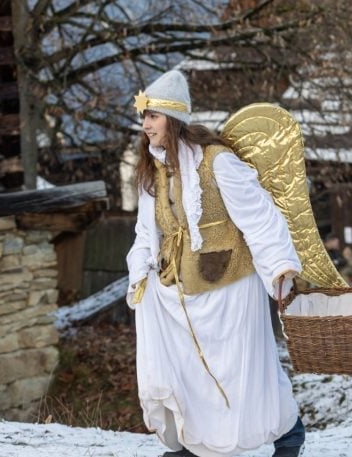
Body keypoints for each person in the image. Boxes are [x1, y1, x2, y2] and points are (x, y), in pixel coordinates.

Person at [125, 70, 305, 457]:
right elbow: (146, 231)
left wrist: (279, 269)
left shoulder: (217, 162)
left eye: (151, 117)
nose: (145, 126)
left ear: (171, 119)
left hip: (230, 287)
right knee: (188, 371)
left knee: (244, 371)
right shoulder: (154, 171)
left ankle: (289, 435)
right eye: (144, 117)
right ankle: (193, 442)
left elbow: (259, 216)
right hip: (181, 288)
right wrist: (140, 271)